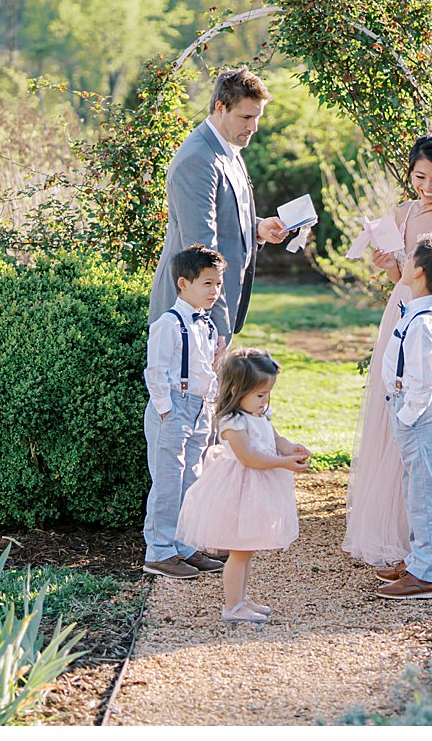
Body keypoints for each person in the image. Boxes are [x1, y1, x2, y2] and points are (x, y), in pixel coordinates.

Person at [344, 134, 432, 568]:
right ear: (411, 172)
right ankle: (396, 527)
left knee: (426, 408)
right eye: (420, 176)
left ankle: (431, 536)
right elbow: (407, 273)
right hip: (400, 309)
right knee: (394, 402)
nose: (428, 186)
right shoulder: (404, 211)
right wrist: (390, 267)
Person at [148, 68, 289, 357]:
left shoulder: (228, 149)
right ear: (220, 108)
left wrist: (257, 228)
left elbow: (225, 216)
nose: (254, 127)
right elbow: (201, 250)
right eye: (246, 117)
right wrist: (214, 326)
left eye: (257, 117)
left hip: (208, 311)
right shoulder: (198, 159)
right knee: (185, 401)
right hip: (190, 317)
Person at [177, 348, 310, 623]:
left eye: (267, 394)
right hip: (238, 488)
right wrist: (282, 463)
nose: (265, 401)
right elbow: (248, 457)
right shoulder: (233, 421)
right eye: (260, 395)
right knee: (238, 550)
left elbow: (275, 439)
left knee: (246, 549)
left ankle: (241, 598)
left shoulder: (259, 414)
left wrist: (290, 448)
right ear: (238, 389)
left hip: (257, 485)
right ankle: (231, 606)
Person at [373, 235, 432, 600]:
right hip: (406, 408)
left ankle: (425, 574)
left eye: (408, 258)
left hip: (418, 414)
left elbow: (426, 379)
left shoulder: (426, 321)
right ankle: (417, 558)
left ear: (419, 272)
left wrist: (406, 416)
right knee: (415, 489)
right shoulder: (414, 311)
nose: (403, 260)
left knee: (425, 492)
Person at [142, 244, 231, 579]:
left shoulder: (206, 325)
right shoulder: (169, 322)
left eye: (218, 284)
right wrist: (166, 411)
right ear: (183, 283)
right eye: (207, 283)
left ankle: (184, 545)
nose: (214, 291)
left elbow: (203, 370)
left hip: (198, 408)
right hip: (174, 409)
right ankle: (159, 551)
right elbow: (156, 371)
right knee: (168, 482)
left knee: (191, 480)